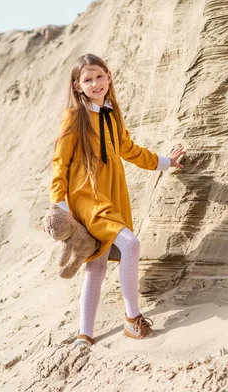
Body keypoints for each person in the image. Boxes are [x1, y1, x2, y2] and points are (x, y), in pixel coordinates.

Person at [50, 53, 186, 348]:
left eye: (99, 76)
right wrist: (59, 204)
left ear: (109, 76)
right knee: (130, 244)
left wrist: (164, 162)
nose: (95, 83)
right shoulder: (74, 116)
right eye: (87, 79)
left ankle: (84, 334)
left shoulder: (112, 112)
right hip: (87, 197)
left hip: (114, 194)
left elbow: (128, 148)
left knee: (97, 264)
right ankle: (132, 319)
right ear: (77, 86)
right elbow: (60, 160)